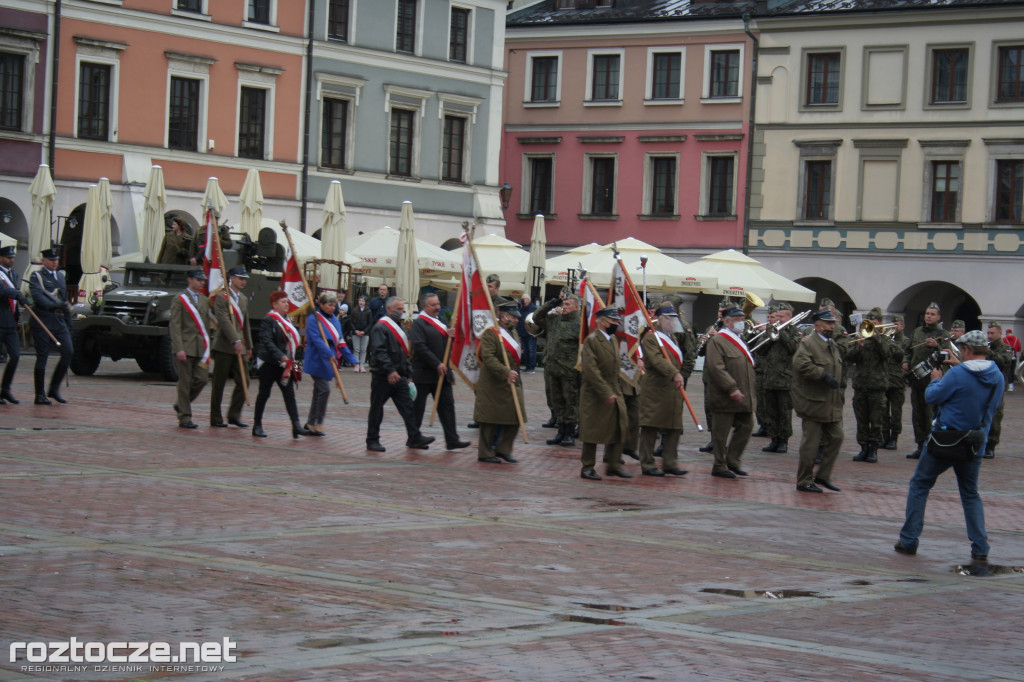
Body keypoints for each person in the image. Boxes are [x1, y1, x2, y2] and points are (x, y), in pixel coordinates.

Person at [895, 330, 1004, 561]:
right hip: (975, 441)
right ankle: (980, 547)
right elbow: (989, 405)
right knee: (970, 493)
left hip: (946, 440)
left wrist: (936, 380)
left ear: (965, 350)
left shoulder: (958, 375)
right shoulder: (997, 375)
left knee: (920, 484)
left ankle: (909, 540)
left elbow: (932, 397)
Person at [365, 296, 434, 452]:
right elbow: (379, 352)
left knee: (408, 407)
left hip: (399, 376)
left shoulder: (400, 327)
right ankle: (372, 440)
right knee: (377, 409)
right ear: (389, 309)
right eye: (399, 309)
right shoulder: (380, 327)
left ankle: (414, 437)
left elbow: (403, 354)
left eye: (402, 309)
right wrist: (390, 370)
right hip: (383, 376)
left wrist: (408, 373)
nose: (401, 312)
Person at [792, 309, 846, 493]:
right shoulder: (809, 344)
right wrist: (822, 375)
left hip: (831, 403)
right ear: (817, 326)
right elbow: (801, 364)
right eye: (828, 323)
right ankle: (804, 480)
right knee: (811, 444)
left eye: (833, 323)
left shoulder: (832, 344)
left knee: (837, 437)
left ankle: (823, 475)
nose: (833, 326)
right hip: (813, 402)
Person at [410, 292, 470, 450]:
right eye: (433, 305)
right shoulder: (419, 324)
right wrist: (436, 363)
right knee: (418, 408)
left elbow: (446, 345)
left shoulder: (441, 321)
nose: (438, 307)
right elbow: (420, 347)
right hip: (423, 373)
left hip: (442, 374)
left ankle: (452, 439)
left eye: (438, 304)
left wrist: (450, 335)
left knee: (447, 406)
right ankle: (414, 438)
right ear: (424, 307)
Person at [252, 291, 313, 439]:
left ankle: (296, 425)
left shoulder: (289, 320)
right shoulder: (269, 320)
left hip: (286, 365)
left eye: (287, 301)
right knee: (264, 394)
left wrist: (296, 366)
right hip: (270, 363)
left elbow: (295, 345)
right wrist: (280, 356)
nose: (287, 304)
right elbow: (267, 341)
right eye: (283, 302)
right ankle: (257, 425)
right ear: (274, 304)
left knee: (289, 394)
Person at [704, 306, 756, 479]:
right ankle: (719, 465)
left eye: (742, 318)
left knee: (747, 425)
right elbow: (716, 367)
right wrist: (731, 387)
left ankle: (733, 460)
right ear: (728, 321)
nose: (742, 322)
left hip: (743, 395)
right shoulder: (718, 341)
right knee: (721, 432)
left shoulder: (740, 339)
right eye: (738, 319)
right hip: (724, 395)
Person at [578, 307, 630, 481]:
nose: (617, 324)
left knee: (618, 427)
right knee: (592, 432)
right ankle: (587, 468)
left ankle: (614, 465)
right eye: (614, 321)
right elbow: (591, 370)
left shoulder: (612, 339)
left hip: (613, 389)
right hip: (595, 393)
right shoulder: (592, 340)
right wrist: (605, 391)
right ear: (603, 321)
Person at [637, 305, 688, 477]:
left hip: (673, 388)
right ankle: (647, 463)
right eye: (669, 319)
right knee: (651, 425)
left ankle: (670, 462)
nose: (673, 323)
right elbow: (656, 360)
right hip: (655, 387)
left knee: (674, 426)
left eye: (674, 319)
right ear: (660, 319)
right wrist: (674, 373)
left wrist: (680, 374)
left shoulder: (672, 338)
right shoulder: (651, 338)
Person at [473, 298, 526, 464]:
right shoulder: (490, 332)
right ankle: (485, 452)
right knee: (490, 420)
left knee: (515, 417)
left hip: (511, 381)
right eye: (514, 317)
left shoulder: (513, 332)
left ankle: (503, 449)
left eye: (517, 317)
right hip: (494, 383)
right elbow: (487, 357)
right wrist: (505, 371)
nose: (517, 320)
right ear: (503, 316)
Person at [303, 291, 358, 437]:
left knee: (318, 392)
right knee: (324, 390)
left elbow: (340, 341)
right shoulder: (314, 319)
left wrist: (352, 359)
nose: (332, 308)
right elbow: (316, 339)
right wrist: (329, 354)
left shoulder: (334, 319)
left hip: (329, 360)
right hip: (317, 359)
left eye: (334, 305)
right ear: (321, 305)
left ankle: (311, 422)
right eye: (329, 305)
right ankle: (318, 422)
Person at [902, 303, 950, 459]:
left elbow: (947, 355)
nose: (929, 316)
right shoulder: (917, 332)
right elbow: (908, 350)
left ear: (938, 317)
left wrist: (937, 346)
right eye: (927, 313)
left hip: (933, 381)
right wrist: (906, 360)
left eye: (932, 314)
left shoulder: (943, 334)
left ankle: (932, 446)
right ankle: (920, 445)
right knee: (918, 415)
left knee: (930, 415)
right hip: (917, 381)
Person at [28, 246, 74, 405]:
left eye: (56, 260)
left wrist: (69, 320)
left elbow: (64, 298)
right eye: (51, 260)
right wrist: (53, 306)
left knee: (68, 351)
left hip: (59, 321)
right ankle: (39, 394)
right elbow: (38, 297)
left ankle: (54, 388)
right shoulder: (37, 276)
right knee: (42, 357)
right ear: (44, 261)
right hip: (42, 320)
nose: (55, 263)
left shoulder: (60, 277)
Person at [534, 293, 581, 446]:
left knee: (570, 403)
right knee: (557, 402)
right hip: (553, 369)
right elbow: (536, 317)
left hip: (569, 372)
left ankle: (569, 433)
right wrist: (550, 304)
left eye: (568, 304)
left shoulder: (579, 324)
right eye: (564, 304)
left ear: (576, 307)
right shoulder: (554, 319)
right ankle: (560, 431)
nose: (564, 307)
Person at [846, 307, 892, 463]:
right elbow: (849, 357)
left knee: (877, 420)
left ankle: (873, 449)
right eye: (869, 322)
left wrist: (876, 337)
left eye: (875, 322)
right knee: (862, 420)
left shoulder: (885, 338)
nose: (871, 324)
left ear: (880, 323)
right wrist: (859, 346)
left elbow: (886, 354)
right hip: (860, 385)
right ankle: (863, 448)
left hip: (877, 387)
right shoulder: (860, 338)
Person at [209, 267, 253, 428]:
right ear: (232, 278)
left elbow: (245, 323)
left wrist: (248, 344)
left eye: (245, 279)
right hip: (224, 346)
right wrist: (235, 339)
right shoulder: (222, 297)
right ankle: (215, 417)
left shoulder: (243, 298)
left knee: (244, 381)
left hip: (240, 346)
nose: (244, 282)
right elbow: (223, 320)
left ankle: (234, 414)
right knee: (219, 384)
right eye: (241, 278)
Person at [169, 269, 211, 428]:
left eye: (203, 280)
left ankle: (181, 403)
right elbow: (175, 325)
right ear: (190, 280)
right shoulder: (179, 299)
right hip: (185, 347)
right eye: (199, 280)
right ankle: (185, 417)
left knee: (202, 379)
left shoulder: (204, 300)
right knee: (185, 382)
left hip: (200, 348)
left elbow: (206, 325)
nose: (202, 283)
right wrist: (179, 347)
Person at [761, 303, 801, 454]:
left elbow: (793, 348)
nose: (777, 319)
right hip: (769, 377)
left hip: (785, 379)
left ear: (789, 317)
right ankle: (774, 439)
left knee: (784, 412)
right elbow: (761, 351)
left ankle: (783, 440)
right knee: (771, 411)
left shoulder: (794, 331)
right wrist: (770, 336)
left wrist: (781, 332)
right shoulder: (770, 330)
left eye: (781, 316)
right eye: (776, 316)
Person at [696, 299, 730, 452]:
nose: (720, 314)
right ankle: (713, 439)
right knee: (709, 408)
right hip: (708, 375)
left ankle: (722, 441)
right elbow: (701, 352)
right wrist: (703, 340)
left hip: (723, 375)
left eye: (724, 311)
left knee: (721, 410)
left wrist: (717, 338)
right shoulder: (712, 327)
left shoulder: (731, 329)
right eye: (719, 311)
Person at [0, 243, 29, 404]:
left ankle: (6, 389)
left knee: (16, 356)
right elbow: (2, 290)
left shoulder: (14, 275)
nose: (11, 260)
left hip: (10, 321)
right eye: (8, 257)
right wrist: (17, 294)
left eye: (12, 257)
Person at [984, 322, 1014, 459]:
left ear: (999, 334)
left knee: (996, 415)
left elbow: (1003, 362)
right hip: (983, 385)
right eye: (988, 333)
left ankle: (991, 445)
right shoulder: (985, 347)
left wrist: (988, 352)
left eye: (992, 333)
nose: (989, 336)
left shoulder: (1006, 348)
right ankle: (980, 442)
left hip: (997, 386)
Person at [882, 314, 908, 450]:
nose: (894, 326)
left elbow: (903, 357)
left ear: (903, 326)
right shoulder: (886, 340)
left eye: (897, 324)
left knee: (896, 412)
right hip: (885, 380)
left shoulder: (905, 342)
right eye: (892, 324)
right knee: (884, 411)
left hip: (898, 382)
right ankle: (885, 436)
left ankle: (894, 438)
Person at [349, 294, 372, 372]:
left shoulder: (368, 311)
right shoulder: (354, 310)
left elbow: (370, 323)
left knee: (363, 349)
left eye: (362, 300)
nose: (361, 302)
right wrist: (355, 330)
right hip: (356, 333)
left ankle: (362, 365)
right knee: (356, 349)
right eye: (360, 300)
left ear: (365, 302)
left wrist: (364, 331)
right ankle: (356, 365)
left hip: (365, 333)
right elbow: (351, 322)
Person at [516, 294, 538, 373]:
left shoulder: (534, 309)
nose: (523, 300)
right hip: (523, 333)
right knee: (525, 351)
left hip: (531, 333)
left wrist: (537, 332)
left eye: (524, 299)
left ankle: (531, 368)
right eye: (522, 299)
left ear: (529, 300)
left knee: (531, 350)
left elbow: (538, 322)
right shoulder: (521, 309)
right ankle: (527, 367)